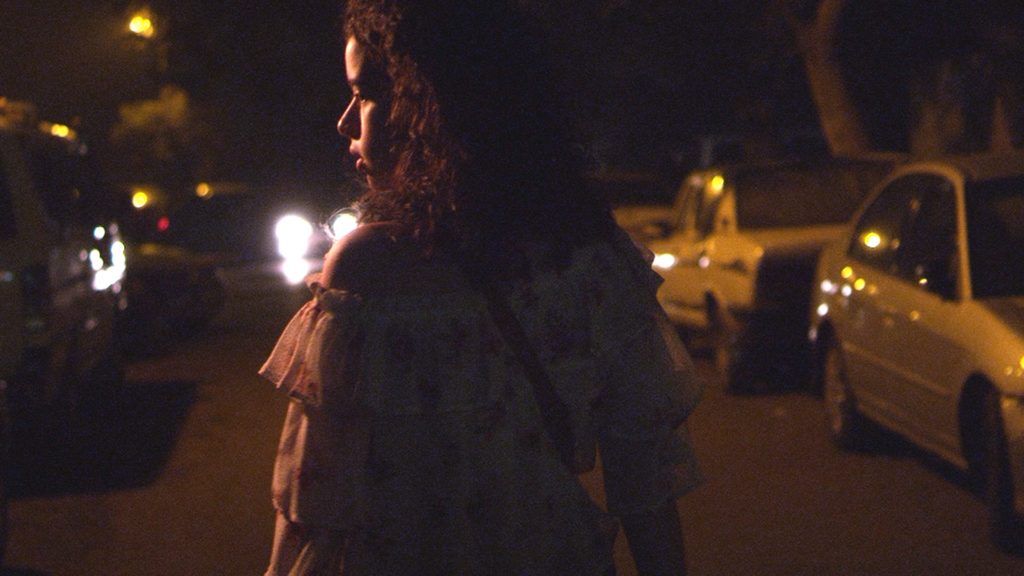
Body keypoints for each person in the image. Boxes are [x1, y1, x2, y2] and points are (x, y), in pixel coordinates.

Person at [260, 1, 704, 574]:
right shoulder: (591, 260)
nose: (346, 121)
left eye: (368, 93)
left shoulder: (370, 270)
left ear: (435, 104)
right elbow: (647, 494)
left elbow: (313, 509)